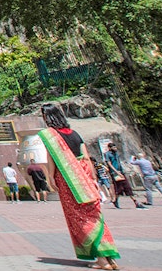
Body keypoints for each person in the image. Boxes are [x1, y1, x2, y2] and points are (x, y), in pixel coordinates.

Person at [39, 103, 120, 270]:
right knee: (95, 216)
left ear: (48, 118)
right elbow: (87, 157)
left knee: (80, 217)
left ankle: (102, 260)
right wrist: (93, 179)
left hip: (68, 180)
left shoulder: (52, 136)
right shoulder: (75, 134)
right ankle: (109, 259)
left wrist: (50, 178)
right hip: (85, 178)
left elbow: (51, 159)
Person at [104, 143, 141, 209]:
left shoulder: (116, 153)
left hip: (121, 172)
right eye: (113, 147)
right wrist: (117, 172)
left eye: (115, 147)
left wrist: (121, 171)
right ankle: (116, 201)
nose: (115, 148)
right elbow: (109, 164)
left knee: (127, 186)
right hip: (115, 173)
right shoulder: (107, 154)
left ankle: (136, 202)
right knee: (119, 188)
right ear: (109, 148)